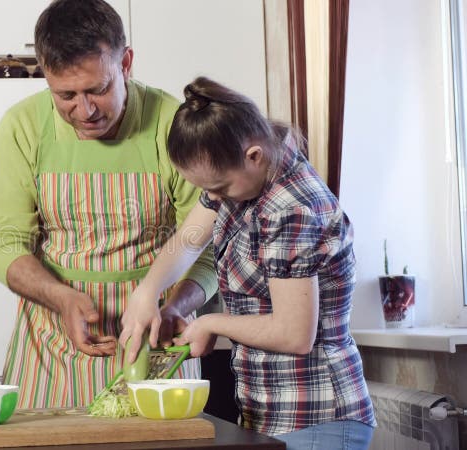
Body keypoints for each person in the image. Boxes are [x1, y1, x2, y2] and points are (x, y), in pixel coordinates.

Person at [0, 0, 217, 409]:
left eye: (98, 89)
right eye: (66, 95)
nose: (85, 110)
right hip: (52, 344)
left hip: (154, 342)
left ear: (126, 63)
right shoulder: (22, 126)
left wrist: (174, 306)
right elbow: (5, 244)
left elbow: (205, 246)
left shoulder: (171, 125)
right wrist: (62, 298)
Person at [120, 76, 376, 449]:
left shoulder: (292, 209)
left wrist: (209, 321)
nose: (212, 198)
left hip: (318, 416)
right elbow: (190, 240)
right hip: (269, 411)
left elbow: (294, 333)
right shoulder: (244, 175)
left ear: (253, 156)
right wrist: (150, 293)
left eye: (219, 188)